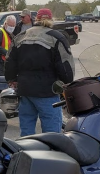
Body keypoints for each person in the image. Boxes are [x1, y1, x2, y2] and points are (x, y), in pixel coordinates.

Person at [5, 8, 75, 136]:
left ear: (36, 19)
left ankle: (27, 153)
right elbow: (65, 66)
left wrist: (11, 79)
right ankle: (49, 154)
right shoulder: (57, 37)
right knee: (52, 134)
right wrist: (67, 82)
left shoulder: (21, 36)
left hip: (25, 91)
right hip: (47, 92)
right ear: (50, 19)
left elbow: (9, 61)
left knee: (26, 132)